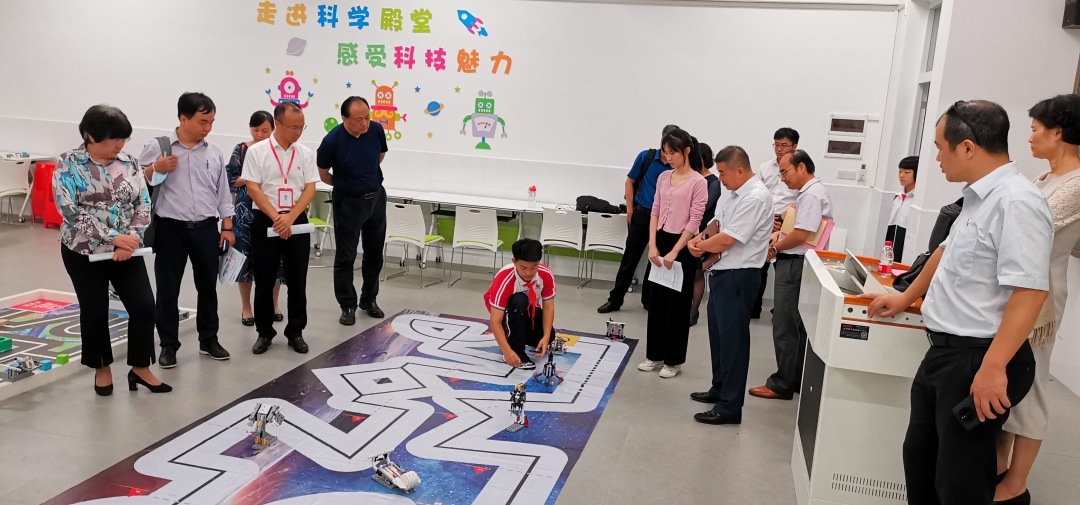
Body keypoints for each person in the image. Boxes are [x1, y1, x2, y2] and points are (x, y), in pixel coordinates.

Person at [867, 100, 1050, 505]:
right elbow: (945, 251)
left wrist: (993, 367)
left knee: (960, 483)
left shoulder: (1017, 201)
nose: (936, 158)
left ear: (966, 147)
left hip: (978, 357)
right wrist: (905, 296)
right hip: (943, 355)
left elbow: (1030, 291)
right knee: (921, 462)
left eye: (939, 148)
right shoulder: (977, 197)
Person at [995, 94, 1080, 505]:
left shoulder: (1076, 184)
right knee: (1007, 383)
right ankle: (999, 468)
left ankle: (1016, 484)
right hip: (1018, 290)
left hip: (1040, 300)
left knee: (1030, 387)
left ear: (1057, 132)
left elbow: (1028, 231)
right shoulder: (1045, 178)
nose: (1029, 137)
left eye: (1034, 129)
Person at [54, 105, 170, 396]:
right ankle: (102, 367)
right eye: (113, 139)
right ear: (91, 136)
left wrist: (130, 238)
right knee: (95, 310)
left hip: (127, 250)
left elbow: (143, 203)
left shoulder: (129, 162)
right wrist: (113, 237)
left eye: (123, 139)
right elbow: (69, 210)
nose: (119, 145)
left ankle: (140, 368)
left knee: (144, 306)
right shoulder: (68, 163)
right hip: (83, 251)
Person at [138, 92, 235, 368]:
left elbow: (222, 192)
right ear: (183, 118)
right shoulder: (158, 147)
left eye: (212, 122)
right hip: (170, 229)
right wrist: (154, 168)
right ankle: (168, 345)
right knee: (168, 290)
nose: (208, 128)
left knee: (208, 287)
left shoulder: (213, 152)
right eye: (203, 121)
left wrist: (227, 225)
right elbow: (133, 183)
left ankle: (209, 339)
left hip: (206, 228)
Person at [688, 146, 773, 425]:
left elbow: (728, 239)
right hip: (723, 274)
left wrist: (700, 247)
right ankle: (720, 388)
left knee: (734, 343)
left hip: (739, 275)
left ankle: (730, 407)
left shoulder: (756, 197)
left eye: (723, 173)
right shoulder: (735, 194)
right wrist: (698, 238)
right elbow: (717, 224)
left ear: (740, 169)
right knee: (720, 338)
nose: (720, 178)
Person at [749, 149, 832, 400]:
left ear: (801, 167)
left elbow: (801, 233)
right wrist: (779, 233)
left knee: (785, 324)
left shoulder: (811, 194)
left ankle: (782, 384)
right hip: (797, 261)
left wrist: (774, 248)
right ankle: (794, 378)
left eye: (785, 172)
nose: (783, 178)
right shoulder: (808, 192)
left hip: (795, 263)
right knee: (796, 324)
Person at [241, 102, 320, 355]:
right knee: (264, 278)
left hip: (296, 218)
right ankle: (264, 333)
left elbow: (310, 188)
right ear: (278, 124)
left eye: (301, 127)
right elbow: (253, 188)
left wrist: (291, 217)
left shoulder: (305, 153)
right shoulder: (257, 152)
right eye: (293, 127)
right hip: (266, 217)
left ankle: (296, 332)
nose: (298, 132)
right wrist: (277, 218)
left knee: (297, 279)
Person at [636, 129, 707, 379]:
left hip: (684, 246)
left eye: (672, 153)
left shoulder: (698, 182)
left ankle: (673, 360)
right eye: (665, 153)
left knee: (677, 305)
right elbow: (655, 211)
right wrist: (653, 245)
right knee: (656, 301)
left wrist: (676, 250)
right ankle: (654, 355)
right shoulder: (664, 177)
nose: (668, 158)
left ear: (686, 151)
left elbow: (695, 219)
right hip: (660, 241)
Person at [317, 96, 389, 325]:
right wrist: (346, 185)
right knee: (346, 256)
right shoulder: (331, 141)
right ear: (344, 119)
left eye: (367, 117)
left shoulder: (376, 130)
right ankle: (347, 304)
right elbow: (323, 174)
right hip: (348, 202)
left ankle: (369, 299)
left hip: (376, 197)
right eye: (359, 119)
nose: (365, 123)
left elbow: (379, 157)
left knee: (374, 253)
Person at [597, 124, 679, 314]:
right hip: (642, 215)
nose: (670, 152)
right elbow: (630, 181)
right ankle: (615, 300)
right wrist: (630, 209)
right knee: (629, 259)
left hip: (664, 220)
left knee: (655, 260)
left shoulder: (678, 164)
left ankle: (648, 300)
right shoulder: (646, 157)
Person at [226, 111, 285, 326]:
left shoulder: (278, 150)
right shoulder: (242, 149)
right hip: (245, 212)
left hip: (272, 210)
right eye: (255, 130)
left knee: (275, 258)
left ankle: (274, 304)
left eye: (265, 130)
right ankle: (246, 307)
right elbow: (230, 180)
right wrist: (249, 178)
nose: (260, 134)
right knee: (244, 257)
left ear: (274, 128)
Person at [483, 239, 556, 369]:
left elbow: (548, 307)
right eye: (523, 268)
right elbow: (495, 321)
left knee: (549, 335)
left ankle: (521, 336)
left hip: (527, 311)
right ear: (514, 262)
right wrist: (507, 351)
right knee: (519, 299)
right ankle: (515, 348)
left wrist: (545, 337)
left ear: (539, 262)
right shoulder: (504, 278)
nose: (528, 273)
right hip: (505, 316)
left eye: (533, 267)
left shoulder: (545, 274)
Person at [752, 128, 799, 319]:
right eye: (776, 145)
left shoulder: (799, 168)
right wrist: (768, 220)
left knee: (782, 269)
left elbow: (801, 199)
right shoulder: (765, 168)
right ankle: (754, 308)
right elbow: (756, 195)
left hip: (788, 222)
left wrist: (785, 221)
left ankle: (780, 312)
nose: (779, 149)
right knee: (758, 266)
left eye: (784, 145)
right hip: (766, 220)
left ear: (794, 146)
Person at [691, 143, 723, 327]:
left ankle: (693, 311)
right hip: (688, 231)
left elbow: (704, 207)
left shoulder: (713, 182)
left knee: (697, 272)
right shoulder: (692, 178)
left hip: (703, 232)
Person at [885, 156, 919, 263]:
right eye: (900, 171)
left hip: (907, 244)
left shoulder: (917, 200)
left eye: (907, 172)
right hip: (892, 241)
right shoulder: (898, 196)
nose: (901, 175)